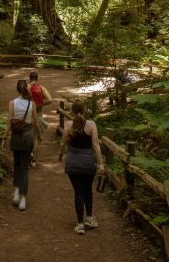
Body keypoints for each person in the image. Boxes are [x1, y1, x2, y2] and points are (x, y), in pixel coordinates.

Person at [58, 98, 105, 235]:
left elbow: (63, 144)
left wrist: (60, 155)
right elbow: (95, 145)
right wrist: (101, 163)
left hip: (73, 163)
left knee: (78, 192)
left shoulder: (68, 125)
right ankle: (89, 218)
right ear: (84, 110)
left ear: (72, 111)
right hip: (88, 163)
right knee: (87, 190)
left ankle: (79, 225)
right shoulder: (91, 125)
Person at [1, 79, 41, 211]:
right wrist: (39, 135)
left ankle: (16, 193)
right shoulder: (31, 104)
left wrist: (4, 137)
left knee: (16, 165)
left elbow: (9, 122)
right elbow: (35, 123)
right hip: (28, 137)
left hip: (16, 137)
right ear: (26, 90)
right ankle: (23, 199)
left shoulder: (12, 103)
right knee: (24, 168)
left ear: (17, 90)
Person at [28, 70, 52, 166]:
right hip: (38, 116)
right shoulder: (42, 88)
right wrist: (41, 104)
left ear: (30, 78)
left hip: (27, 116)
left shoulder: (27, 88)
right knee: (38, 138)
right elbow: (50, 100)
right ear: (38, 79)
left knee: (29, 137)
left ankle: (28, 155)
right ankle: (33, 160)